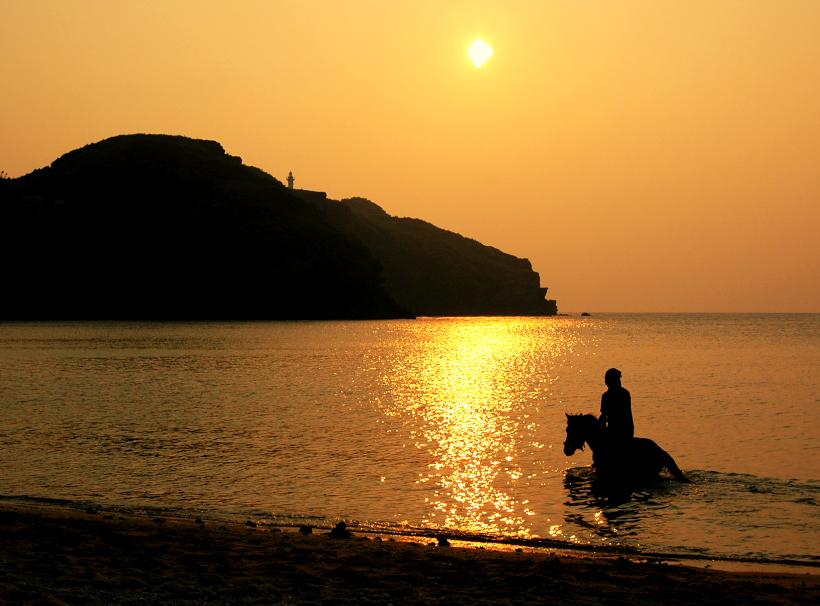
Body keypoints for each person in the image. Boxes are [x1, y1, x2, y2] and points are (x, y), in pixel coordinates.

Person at [598, 368, 634, 457]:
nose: (619, 382)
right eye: (617, 380)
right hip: (614, 429)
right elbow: (604, 416)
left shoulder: (623, 394)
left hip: (622, 431)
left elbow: (624, 415)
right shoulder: (608, 395)